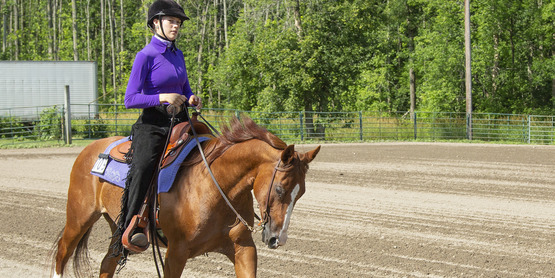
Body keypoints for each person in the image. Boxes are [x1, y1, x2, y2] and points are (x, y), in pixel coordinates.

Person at [115, 0, 201, 256]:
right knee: (142, 168)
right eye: (171, 21)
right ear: (156, 23)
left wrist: (192, 96)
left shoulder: (178, 54)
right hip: (153, 124)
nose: (176, 26)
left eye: (178, 22)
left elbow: (184, 88)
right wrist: (162, 97)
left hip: (181, 121)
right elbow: (130, 99)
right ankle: (129, 229)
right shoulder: (146, 56)